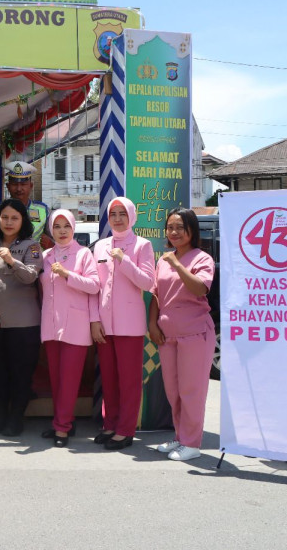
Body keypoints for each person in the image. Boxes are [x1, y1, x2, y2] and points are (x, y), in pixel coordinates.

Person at [88, 197, 155, 450]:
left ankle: (125, 430)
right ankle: (110, 423)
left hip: (130, 324)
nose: (117, 218)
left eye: (122, 213)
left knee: (128, 380)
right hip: (104, 323)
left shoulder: (142, 245)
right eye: (113, 213)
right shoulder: (100, 246)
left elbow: (148, 283)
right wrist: (94, 320)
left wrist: (124, 261)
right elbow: (95, 287)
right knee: (109, 378)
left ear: (131, 216)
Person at [149, 208, 215, 462]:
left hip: (195, 334)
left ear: (192, 230)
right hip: (168, 336)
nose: (174, 232)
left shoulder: (202, 259)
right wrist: (152, 324)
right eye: (170, 227)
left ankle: (192, 443)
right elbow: (156, 294)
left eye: (179, 227)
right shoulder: (162, 260)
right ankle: (180, 436)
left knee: (191, 391)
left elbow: (200, 288)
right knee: (173, 391)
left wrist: (177, 264)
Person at [0, 198, 43, 436]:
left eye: (14, 217)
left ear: (22, 220)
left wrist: (12, 260)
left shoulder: (31, 246)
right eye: (4, 217)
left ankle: (16, 419)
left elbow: (31, 277)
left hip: (23, 324)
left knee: (20, 373)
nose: (9, 222)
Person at [38, 209, 100, 447]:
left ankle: (62, 428)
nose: (62, 231)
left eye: (66, 226)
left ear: (73, 228)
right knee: (56, 377)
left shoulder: (83, 254)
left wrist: (67, 274)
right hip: (51, 324)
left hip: (74, 325)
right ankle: (63, 420)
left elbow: (94, 285)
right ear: (50, 230)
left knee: (69, 378)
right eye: (57, 226)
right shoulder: (45, 255)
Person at [0, 160, 51, 243]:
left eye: (23, 184)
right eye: (14, 184)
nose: (19, 189)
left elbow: (56, 239)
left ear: (31, 186)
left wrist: (50, 244)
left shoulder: (43, 210)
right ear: (8, 186)